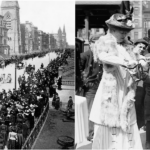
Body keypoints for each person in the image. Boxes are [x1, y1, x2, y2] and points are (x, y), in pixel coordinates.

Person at [89, 13, 143, 149]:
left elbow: (136, 59)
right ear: (112, 29)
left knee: (127, 119)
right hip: (112, 87)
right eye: (121, 31)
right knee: (110, 119)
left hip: (126, 88)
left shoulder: (128, 45)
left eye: (126, 31)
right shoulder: (104, 41)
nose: (124, 34)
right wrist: (125, 62)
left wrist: (140, 61)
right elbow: (103, 56)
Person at [79, 33, 103, 139]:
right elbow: (78, 72)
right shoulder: (85, 56)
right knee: (91, 109)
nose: (100, 46)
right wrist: (85, 82)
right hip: (91, 87)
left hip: (102, 86)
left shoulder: (103, 55)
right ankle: (90, 133)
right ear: (91, 43)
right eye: (97, 43)